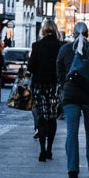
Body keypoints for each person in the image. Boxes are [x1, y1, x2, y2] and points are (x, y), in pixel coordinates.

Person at [56, 21, 89, 178]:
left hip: (70, 95)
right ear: (88, 34)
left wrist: (65, 85)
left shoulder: (64, 49)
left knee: (71, 132)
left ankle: (72, 168)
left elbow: (59, 70)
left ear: (74, 34)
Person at [27, 19, 63, 162]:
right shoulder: (60, 46)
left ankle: (42, 151)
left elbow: (30, 68)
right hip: (54, 86)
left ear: (43, 30)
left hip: (39, 86)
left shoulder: (37, 46)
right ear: (55, 30)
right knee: (52, 117)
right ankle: (50, 150)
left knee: (42, 117)